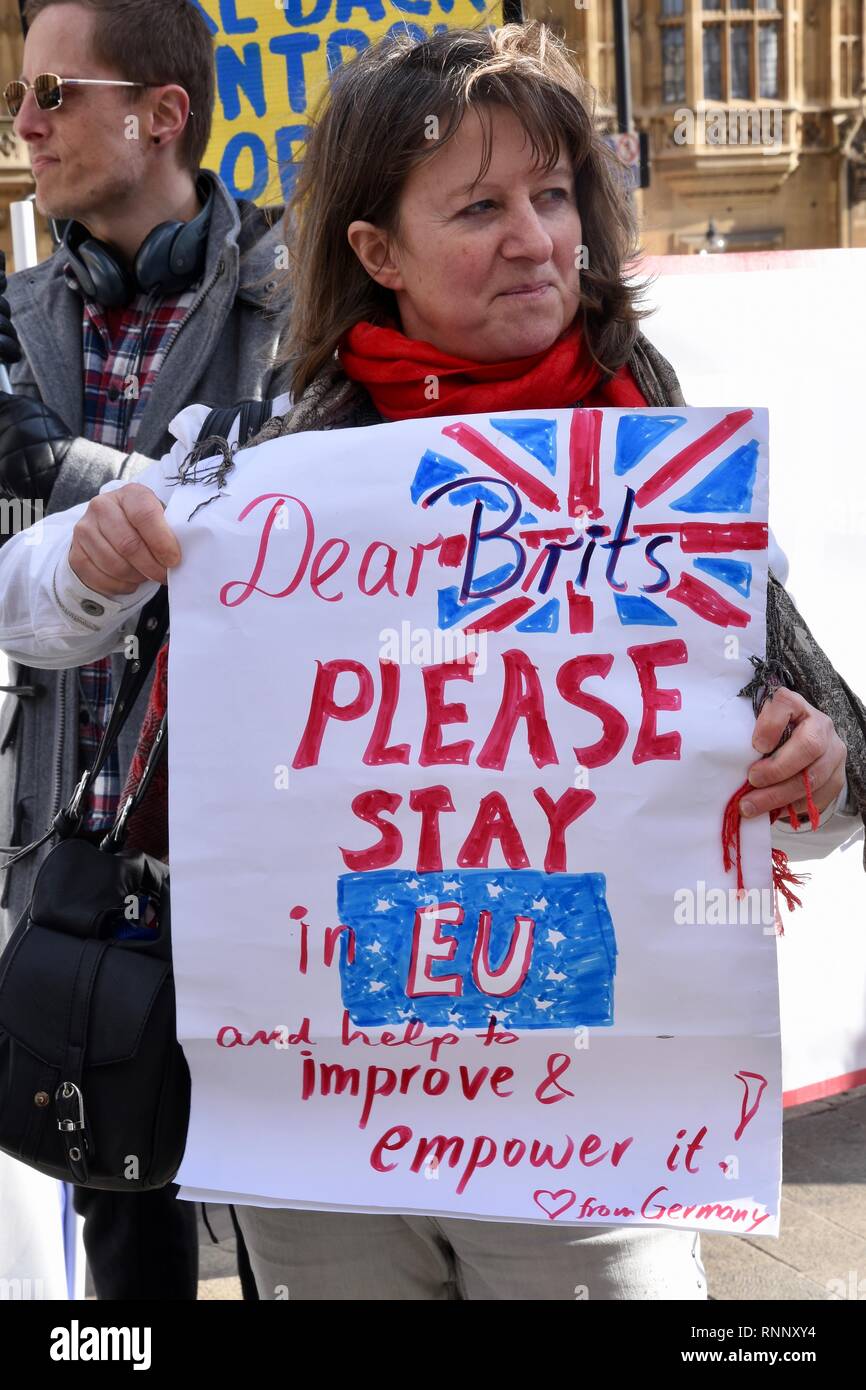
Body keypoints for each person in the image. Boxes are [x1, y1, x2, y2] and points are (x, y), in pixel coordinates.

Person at [0, 22, 863, 1300]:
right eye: (477, 205)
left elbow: (831, 786)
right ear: (374, 251)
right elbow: (30, 611)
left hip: (586, 1137)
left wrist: (811, 774)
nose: (535, 237)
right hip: (327, 1132)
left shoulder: (665, 476)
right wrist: (95, 558)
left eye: (553, 194)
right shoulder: (271, 464)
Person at [0, 0, 292, 1300]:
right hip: (76, 868)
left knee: (312, 1222)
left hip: (267, 858)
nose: (24, 125)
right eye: (23, 95)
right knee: (124, 1245)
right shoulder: (11, 322)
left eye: (55, 93)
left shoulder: (304, 306)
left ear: (162, 112)